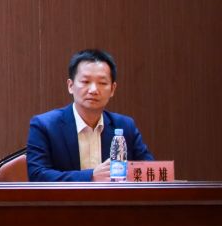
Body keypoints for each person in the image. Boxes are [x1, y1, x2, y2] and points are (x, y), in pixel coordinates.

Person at [26, 48, 155, 181]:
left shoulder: (125, 126)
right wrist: (91, 176)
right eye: (85, 82)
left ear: (112, 89)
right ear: (70, 86)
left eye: (102, 83)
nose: (93, 90)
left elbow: (150, 172)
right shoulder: (45, 126)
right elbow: (37, 175)